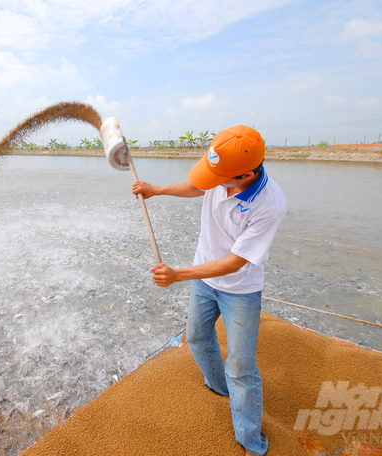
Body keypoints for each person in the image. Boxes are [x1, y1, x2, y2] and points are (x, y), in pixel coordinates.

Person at [132, 125, 286, 456]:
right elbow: (196, 186)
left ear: (247, 174)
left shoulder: (269, 205)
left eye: (220, 178)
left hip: (239, 290)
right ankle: (220, 388)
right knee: (198, 338)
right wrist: (156, 189)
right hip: (204, 280)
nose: (212, 182)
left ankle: (251, 441)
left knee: (242, 367)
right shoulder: (223, 172)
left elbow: (233, 263)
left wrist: (178, 274)